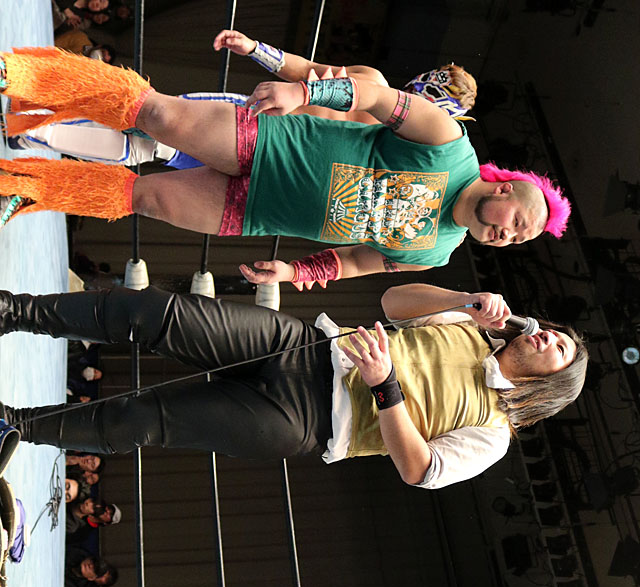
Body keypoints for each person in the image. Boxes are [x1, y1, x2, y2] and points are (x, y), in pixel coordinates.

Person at [0, 46, 569, 287]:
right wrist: (301, 92)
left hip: (255, 211)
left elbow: (357, 261)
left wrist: (298, 273)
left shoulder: (435, 252)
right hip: (269, 141)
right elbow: (374, 96)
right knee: (156, 116)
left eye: (519, 241)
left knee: (144, 198)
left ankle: (22, 188)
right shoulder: (449, 143)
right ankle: (23, 77)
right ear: (508, 188)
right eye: (520, 222)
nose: (510, 236)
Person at [0, 283, 587, 488]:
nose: (547, 338)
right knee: (154, 312)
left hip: (305, 421)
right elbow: (392, 302)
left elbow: (419, 470)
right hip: (303, 346)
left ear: (552, 386)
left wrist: (386, 387)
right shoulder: (471, 326)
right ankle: (12, 310)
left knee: (142, 419)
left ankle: (16, 425)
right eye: (554, 332)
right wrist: (464, 299)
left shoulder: (494, 434)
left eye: (559, 350)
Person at [7, 28, 476, 170]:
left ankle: (34, 126)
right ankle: (34, 128)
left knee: (149, 135)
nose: (420, 92)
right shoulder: (371, 80)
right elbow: (303, 69)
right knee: (147, 129)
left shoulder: (404, 154)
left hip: (268, 156)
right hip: (250, 124)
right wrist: (255, 49)